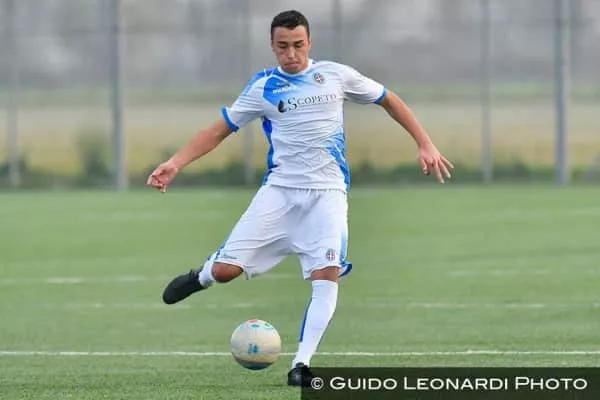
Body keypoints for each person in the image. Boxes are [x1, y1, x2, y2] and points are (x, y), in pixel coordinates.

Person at [146, 9, 453, 387]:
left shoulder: (336, 76)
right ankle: (204, 275)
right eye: (282, 46)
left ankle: (301, 365)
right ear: (271, 46)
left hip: (328, 195)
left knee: (327, 274)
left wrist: (425, 143)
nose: (291, 54)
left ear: (309, 42)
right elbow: (218, 130)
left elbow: (389, 99)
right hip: (280, 193)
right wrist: (175, 163)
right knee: (227, 272)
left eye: (297, 45)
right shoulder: (264, 87)